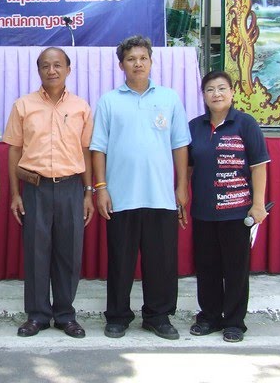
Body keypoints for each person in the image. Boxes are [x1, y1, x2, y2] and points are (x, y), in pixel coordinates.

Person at [90, 35, 191, 340]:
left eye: (143, 58)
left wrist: (181, 186)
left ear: (151, 61)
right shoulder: (109, 101)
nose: (138, 64)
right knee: (120, 261)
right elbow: (98, 148)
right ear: (121, 65)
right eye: (131, 59)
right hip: (120, 196)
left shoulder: (169, 98)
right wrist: (101, 188)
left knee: (161, 262)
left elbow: (180, 145)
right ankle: (118, 316)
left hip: (161, 196)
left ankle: (158, 316)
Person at [3, 47, 95, 338]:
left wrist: (88, 192)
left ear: (68, 69)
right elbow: (14, 150)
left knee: (69, 254)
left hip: (71, 187)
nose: (51, 70)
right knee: (36, 253)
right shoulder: (23, 105)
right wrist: (15, 194)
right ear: (39, 70)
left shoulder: (81, 107)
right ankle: (38, 315)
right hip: (35, 188)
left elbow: (86, 151)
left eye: (57, 65)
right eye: (45, 66)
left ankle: (65, 315)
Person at [188, 70, 269, 343]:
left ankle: (234, 322)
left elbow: (258, 166)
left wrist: (258, 204)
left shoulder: (245, 124)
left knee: (235, 270)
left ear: (232, 92)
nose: (216, 94)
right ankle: (210, 317)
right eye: (210, 89)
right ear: (203, 96)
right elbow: (188, 167)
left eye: (222, 88)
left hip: (236, 211)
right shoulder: (194, 127)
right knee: (207, 268)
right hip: (203, 212)